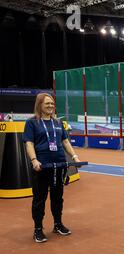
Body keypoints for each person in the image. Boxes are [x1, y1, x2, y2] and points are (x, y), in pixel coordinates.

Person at [23, 93, 81, 243]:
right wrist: (34, 160)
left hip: (59, 166)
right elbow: (29, 143)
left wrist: (74, 157)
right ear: (39, 105)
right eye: (47, 103)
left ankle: (58, 224)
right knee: (39, 200)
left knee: (57, 198)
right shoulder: (32, 123)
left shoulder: (57, 122)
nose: (50, 106)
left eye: (52, 104)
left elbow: (65, 142)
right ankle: (38, 229)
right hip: (42, 167)